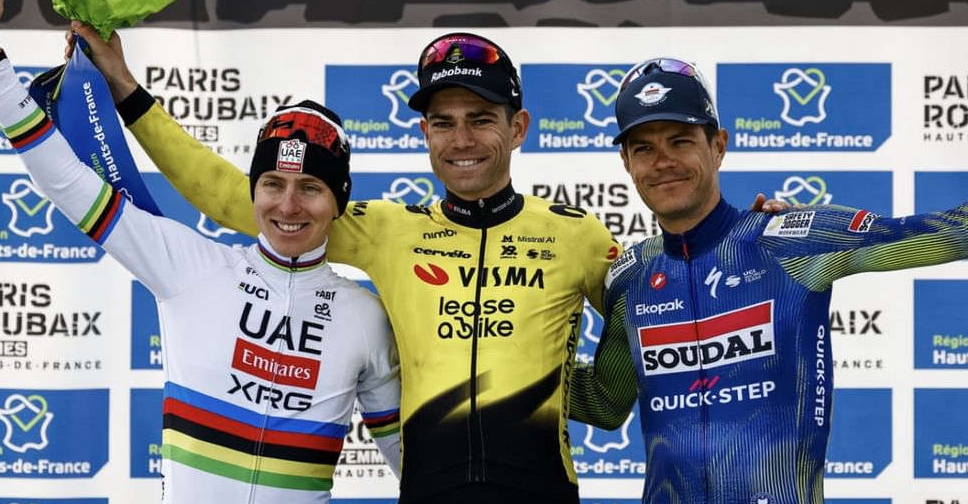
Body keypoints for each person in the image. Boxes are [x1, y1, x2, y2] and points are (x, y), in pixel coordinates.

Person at [71, 25, 620, 504]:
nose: (461, 140)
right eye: (443, 122)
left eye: (480, 120)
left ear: (518, 127)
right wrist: (124, 87)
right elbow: (228, 197)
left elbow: (629, 357)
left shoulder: (577, 235)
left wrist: (555, 379)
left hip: (543, 491)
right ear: (424, 133)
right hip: (429, 493)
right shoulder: (392, 231)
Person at [0, 32, 402, 504]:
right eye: (272, 184)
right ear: (253, 191)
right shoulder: (189, 267)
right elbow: (66, 181)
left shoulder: (367, 318)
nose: (288, 206)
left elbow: (416, 468)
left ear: (339, 201)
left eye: (310, 187)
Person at [568, 57, 968, 504]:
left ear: (718, 146)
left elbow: (953, 234)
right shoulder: (630, 278)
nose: (662, 162)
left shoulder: (789, 242)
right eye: (644, 148)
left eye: (680, 141)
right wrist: (510, 359)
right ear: (626, 161)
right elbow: (604, 403)